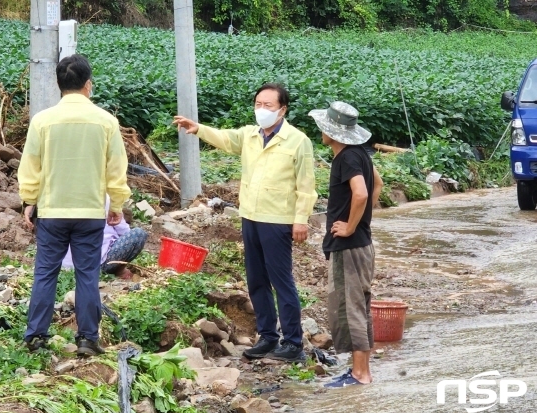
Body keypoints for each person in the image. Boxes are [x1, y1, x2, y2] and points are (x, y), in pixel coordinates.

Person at [173, 83, 318, 363]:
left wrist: (301, 220)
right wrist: (198, 128)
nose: (262, 110)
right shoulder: (250, 136)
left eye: (269, 106)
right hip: (250, 216)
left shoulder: (298, 141)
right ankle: (267, 336)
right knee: (256, 280)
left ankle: (293, 343)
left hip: (277, 220)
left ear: (283, 110)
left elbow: (306, 186)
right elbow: (226, 138)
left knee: (281, 281)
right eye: (258, 105)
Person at [18, 54, 130, 357]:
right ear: (88, 85)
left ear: (59, 84)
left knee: (45, 273)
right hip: (90, 212)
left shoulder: (42, 121)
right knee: (87, 274)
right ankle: (87, 339)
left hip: (52, 211)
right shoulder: (106, 121)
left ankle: (36, 336)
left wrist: (29, 201)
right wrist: (116, 205)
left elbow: (31, 166)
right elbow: (116, 170)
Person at [308, 101, 383, 387]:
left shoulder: (347, 158)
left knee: (349, 308)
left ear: (334, 133)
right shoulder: (359, 154)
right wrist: (363, 222)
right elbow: (378, 184)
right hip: (362, 245)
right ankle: (360, 370)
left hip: (349, 247)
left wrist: (351, 225)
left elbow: (362, 193)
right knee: (359, 306)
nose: (321, 131)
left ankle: (360, 373)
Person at [61, 195, 148, 279]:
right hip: (99, 262)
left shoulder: (64, 198)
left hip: (69, 263)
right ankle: (119, 270)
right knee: (138, 234)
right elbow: (124, 230)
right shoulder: (104, 197)